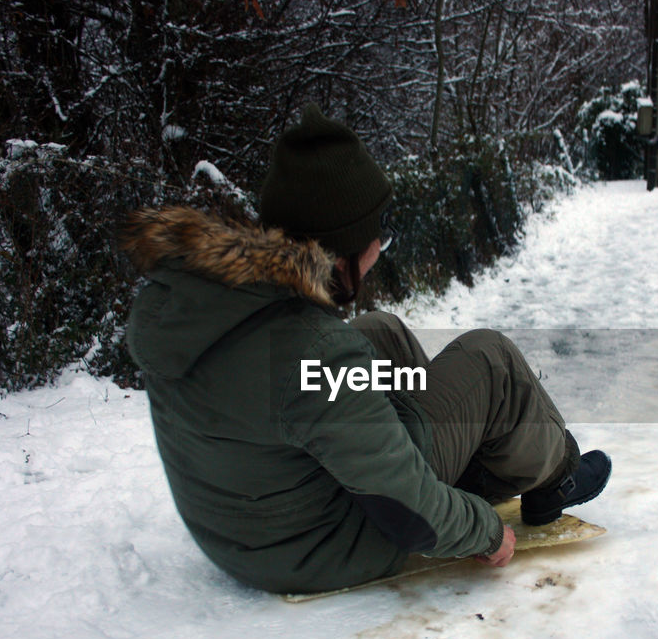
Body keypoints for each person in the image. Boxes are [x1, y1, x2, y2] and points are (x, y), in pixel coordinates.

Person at [121, 104, 610, 594]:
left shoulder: (202, 298)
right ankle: (555, 477)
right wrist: (482, 529)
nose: (380, 245)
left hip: (243, 533)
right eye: (377, 231)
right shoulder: (313, 353)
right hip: (326, 545)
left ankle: (466, 450)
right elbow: (410, 515)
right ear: (342, 248)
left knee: (381, 331)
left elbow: (305, 385)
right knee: (491, 358)